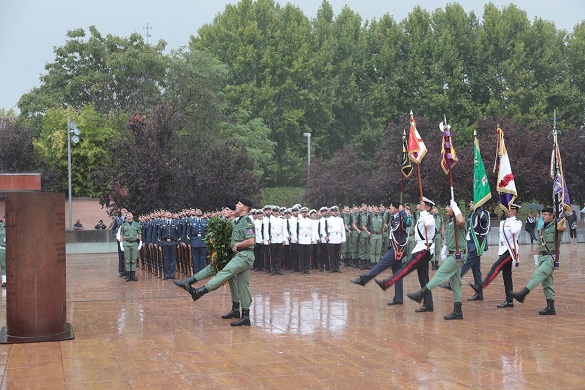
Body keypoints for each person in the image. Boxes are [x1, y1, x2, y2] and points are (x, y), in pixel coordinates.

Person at [174, 198, 256, 327]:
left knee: (225, 273)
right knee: (243, 286)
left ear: (245, 208)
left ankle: (200, 291)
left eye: (239, 204)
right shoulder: (238, 221)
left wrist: (237, 245)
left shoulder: (247, 222)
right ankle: (244, 315)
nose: (236, 205)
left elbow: (251, 241)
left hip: (244, 255)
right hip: (239, 255)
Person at [407, 200, 467, 319]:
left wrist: (456, 209)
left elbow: (461, 221)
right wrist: (444, 249)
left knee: (440, 273)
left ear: (455, 209)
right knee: (455, 284)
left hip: (457, 256)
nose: (446, 208)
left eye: (449, 206)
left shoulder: (459, 220)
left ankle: (421, 293)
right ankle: (458, 311)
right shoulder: (450, 221)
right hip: (451, 254)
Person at [375, 197, 436, 313]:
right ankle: (428, 304)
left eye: (422, 204)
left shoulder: (428, 217)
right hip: (421, 248)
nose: (419, 205)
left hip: (424, 250)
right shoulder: (422, 216)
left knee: (406, 268)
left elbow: (428, 224)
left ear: (427, 207)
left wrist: (423, 211)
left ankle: (388, 282)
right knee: (423, 278)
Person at [350, 201, 410, 306]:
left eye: (391, 206)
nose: (389, 207)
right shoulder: (393, 217)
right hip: (394, 246)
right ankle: (398, 298)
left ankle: (364, 279)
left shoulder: (402, 216)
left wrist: (403, 211)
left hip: (398, 248)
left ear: (397, 208)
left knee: (382, 263)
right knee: (397, 273)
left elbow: (408, 223)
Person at [511, 207, 566, 315]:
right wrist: (536, 258)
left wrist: (562, 214)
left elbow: (563, 227)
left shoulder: (556, 225)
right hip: (543, 257)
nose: (543, 216)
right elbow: (540, 245)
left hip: (551, 257)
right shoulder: (542, 228)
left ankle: (523, 294)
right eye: (542, 214)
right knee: (547, 283)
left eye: (545, 214)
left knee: (538, 274)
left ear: (552, 216)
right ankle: (551, 307)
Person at [470, 203, 522, 308]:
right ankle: (509, 300)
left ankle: (481, 285)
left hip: (510, 250)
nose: (506, 211)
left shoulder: (517, 222)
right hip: (503, 250)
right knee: (506, 276)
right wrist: (500, 251)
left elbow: (514, 231)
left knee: (496, 267)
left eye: (509, 210)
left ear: (514, 211)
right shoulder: (503, 222)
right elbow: (501, 239)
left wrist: (511, 217)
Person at [119, 212, 142, 282]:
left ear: (132, 216)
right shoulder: (123, 225)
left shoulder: (137, 224)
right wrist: (121, 243)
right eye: (128, 215)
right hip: (127, 243)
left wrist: (140, 242)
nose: (129, 215)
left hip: (134, 243)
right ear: (126, 217)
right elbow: (122, 235)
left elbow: (139, 234)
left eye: (130, 214)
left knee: (134, 259)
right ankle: (128, 275)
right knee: (128, 260)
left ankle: (133, 275)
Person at [112, 208, 128, 277]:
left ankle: (128, 270)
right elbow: (113, 229)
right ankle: (121, 270)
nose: (125, 211)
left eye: (126, 210)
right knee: (121, 256)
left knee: (127, 256)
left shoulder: (129, 219)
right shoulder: (118, 219)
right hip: (120, 240)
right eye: (123, 210)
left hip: (128, 240)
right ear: (121, 212)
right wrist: (116, 234)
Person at [0, 215, 6, 287]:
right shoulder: (0, 227)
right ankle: (4, 281)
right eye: (5, 218)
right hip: (2, 249)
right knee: (3, 265)